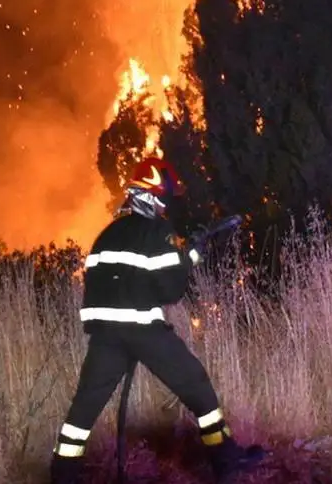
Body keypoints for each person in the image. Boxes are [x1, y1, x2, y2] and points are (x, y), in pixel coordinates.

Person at [50, 157, 265, 484]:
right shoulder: (156, 232)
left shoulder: (106, 235)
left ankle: (62, 474)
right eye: (163, 200)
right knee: (196, 386)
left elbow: (108, 283)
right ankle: (225, 458)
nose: (165, 208)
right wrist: (189, 258)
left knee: (84, 407)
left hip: (104, 335)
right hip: (143, 331)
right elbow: (170, 290)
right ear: (149, 197)